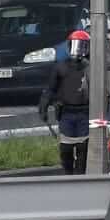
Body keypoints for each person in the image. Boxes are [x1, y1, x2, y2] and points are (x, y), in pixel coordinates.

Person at [38, 29, 91, 174]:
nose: (78, 49)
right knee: (66, 149)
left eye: (82, 45)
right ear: (69, 46)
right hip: (66, 113)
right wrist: (43, 106)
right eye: (75, 45)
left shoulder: (91, 68)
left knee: (83, 148)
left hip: (85, 113)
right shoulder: (60, 67)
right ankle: (68, 173)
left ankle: (79, 178)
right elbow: (51, 89)